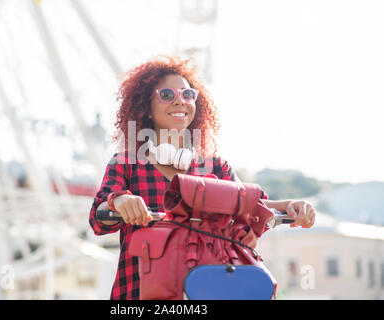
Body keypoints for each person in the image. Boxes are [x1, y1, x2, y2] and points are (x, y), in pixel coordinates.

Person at [88, 55, 316, 300]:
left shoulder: (216, 167)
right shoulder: (127, 163)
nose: (180, 101)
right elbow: (98, 220)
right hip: (139, 294)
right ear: (147, 108)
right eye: (167, 95)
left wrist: (290, 206)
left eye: (188, 95)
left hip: (206, 291)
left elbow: (248, 206)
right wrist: (119, 202)